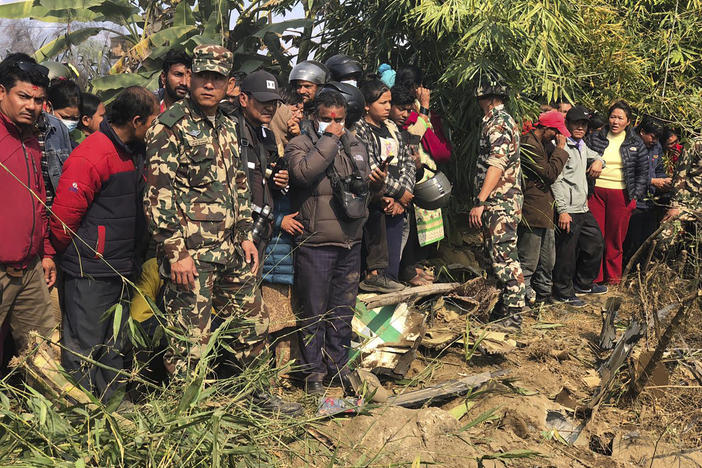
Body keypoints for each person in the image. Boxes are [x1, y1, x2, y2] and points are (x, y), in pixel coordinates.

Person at [144, 45, 300, 415]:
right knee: (189, 341)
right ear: (191, 77)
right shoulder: (169, 127)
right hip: (191, 257)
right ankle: (186, 413)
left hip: (231, 249)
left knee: (252, 326)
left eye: (217, 78)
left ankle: (256, 397)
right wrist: (175, 251)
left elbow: (239, 185)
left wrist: (246, 232)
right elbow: (157, 196)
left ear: (228, 83)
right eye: (202, 76)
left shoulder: (230, 126)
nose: (208, 84)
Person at [50, 86, 158, 401]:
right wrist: (85, 254)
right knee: (84, 344)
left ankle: (113, 402)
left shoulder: (136, 151)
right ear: (137, 121)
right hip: (91, 268)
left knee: (116, 341)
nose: (155, 129)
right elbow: (63, 220)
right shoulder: (93, 154)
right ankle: (79, 409)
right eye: (152, 121)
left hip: (122, 265)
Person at [285, 89, 383, 394]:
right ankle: (312, 373)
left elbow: (362, 193)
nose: (335, 124)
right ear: (316, 116)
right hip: (315, 242)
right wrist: (329, 139)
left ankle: (337, 367)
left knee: (342, 311)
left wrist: (377, 185)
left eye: (339, 119)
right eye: (328, 119)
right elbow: (303, 174)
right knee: (313, 310)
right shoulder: (300, 144)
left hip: (350, 241)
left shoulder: (356, 144)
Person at [0, 53, 58, 354]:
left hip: (30, 267)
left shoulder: (31, 139)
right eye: (23, 97)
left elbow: (38, 200)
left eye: (38, 100)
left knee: (43, 351)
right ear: (1, 92)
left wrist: (46, 251)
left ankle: (50, 402)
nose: (32, 106)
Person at [468, 76, 525, 331]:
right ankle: (502, 309)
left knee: (504, 257)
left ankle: (513, 314)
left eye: (481, 98)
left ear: (489, 99)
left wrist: (480, 201)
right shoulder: (498, 121)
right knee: (497, 255)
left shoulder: (498, 123)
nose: (479, 103)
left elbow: (497, 165)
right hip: (500, 201)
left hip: (500, 201)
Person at [355, 79, 415, 292]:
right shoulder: (360, 129)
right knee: (373, 257)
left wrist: (403, 195)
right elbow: (371, 167)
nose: (388, 107)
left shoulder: (392, 128)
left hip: (398, 202)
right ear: (366, 105)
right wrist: (396, 192)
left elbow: (407, 161)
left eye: (389, 102)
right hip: (377, 201)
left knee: (392, 263)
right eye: (383, 103)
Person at [585, 100, 648, 285]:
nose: (615, 121)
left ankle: (612, 280)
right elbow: (583, 159)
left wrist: (634, 197)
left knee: (615, 239)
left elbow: (643, 173)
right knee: (596, 237)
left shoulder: (636, 142)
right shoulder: (595, 137)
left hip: (621, 195)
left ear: (628, 121)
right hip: (595, 192)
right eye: (613, 116)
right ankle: (593, 279)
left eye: (620, 118)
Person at [551, 106, 606, 305]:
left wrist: (599, 162)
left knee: (595, 242)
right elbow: (556, 180)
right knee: (566, 253)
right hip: (568, 209)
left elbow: (597, 155)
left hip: (582, 207)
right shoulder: (562, 147)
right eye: (576, 123)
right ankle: (563, 292)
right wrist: (562, 210)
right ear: (567, 124)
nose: (580, 127)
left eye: (584, 124)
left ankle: (583, 284)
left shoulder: (581, 145)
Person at [389, 85, 442, 286]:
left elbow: (411, 164)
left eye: (408, 110)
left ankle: (403, 271)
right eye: (399, 108)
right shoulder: (383, 132)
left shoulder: (402, 132)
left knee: (404, 235)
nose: (404, 114)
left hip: (404, 197)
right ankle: (395, 275)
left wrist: (417, 167)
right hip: (390, 198)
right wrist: (399, 193)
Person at [233, 70, 289, 259]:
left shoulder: (268, 136)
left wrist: (279, 180)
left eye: (273, 103)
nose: (270, 108)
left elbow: (265, 175)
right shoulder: (229, 129)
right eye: (263, 102)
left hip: (261, 228)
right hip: (235, 229)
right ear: (243, 99)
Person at [517, 110, 570, 305]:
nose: (558, 137)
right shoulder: (528, 144)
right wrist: (561, 149)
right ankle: (520, 298)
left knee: (548, 259)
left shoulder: (543, 144)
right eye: (556, 133)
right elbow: (549, 173)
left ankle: (542, 295)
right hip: (533, 209)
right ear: (547, 128)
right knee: (529, 258)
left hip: (545, 208)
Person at [623, 117, 671, 267]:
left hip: (650, 202)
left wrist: (665, 182)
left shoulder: (656, 147)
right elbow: (626, 173)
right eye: (653, 137)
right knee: (631, 241)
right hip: (632, 202)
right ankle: (622, 274)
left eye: (658, 138)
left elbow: (659, 170)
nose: (655, 141)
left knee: (647, 240)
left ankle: (638, 274)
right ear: (642, 132)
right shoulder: (628, 144)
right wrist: (651, 181)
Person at [157, 48, 192, 112]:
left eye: (189, 77)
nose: (184, 83)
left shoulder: (198, 114)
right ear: (164, 77)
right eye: (178, 75)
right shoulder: (150, 111)